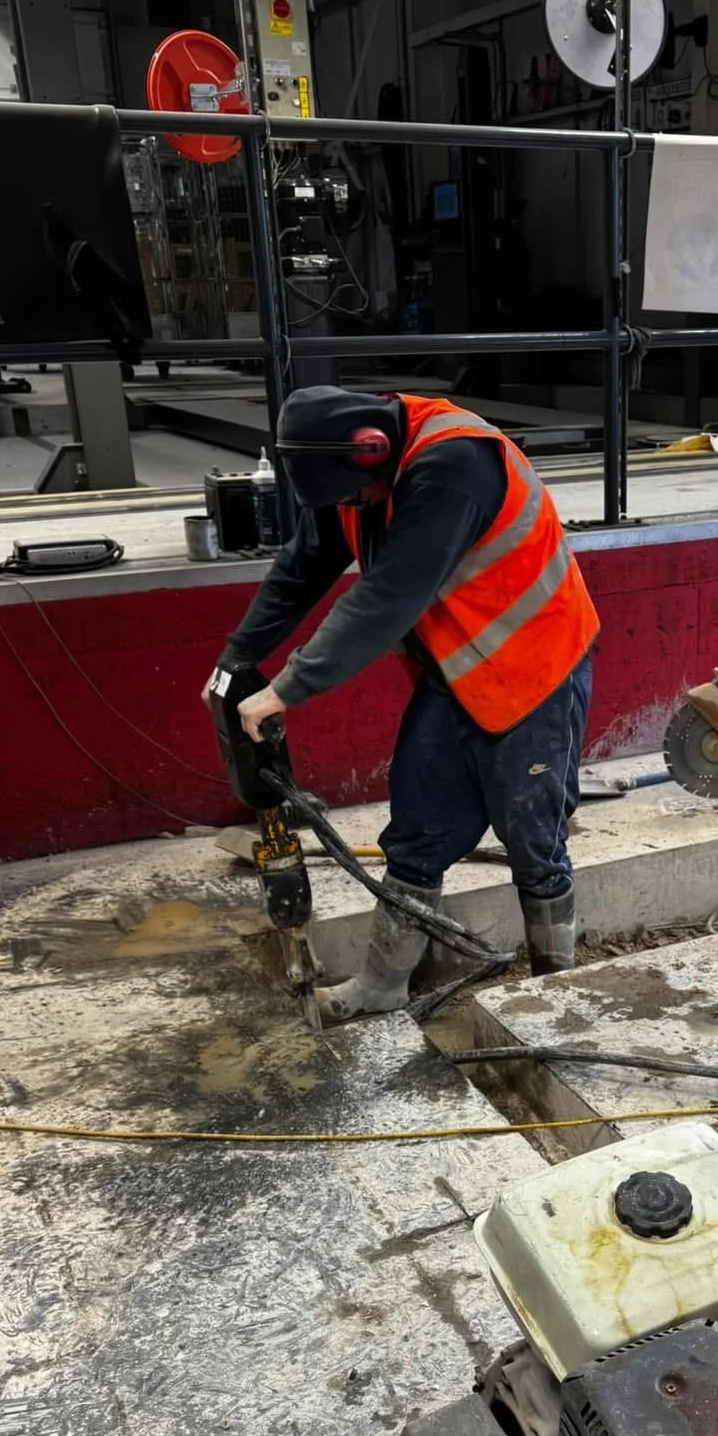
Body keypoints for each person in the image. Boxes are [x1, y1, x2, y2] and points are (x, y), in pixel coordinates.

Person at [208, 386, 598, 1020]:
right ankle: (382, 988)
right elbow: (302, 567)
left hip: (537, 672)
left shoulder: (455, 466)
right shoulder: (351, 473)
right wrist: (235, 660)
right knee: (417, 831)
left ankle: (556, 989)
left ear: (372, 450)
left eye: (350, 496)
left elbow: (386, 598)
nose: (348, 509)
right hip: (459, 675)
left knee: (534, 838)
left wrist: (286, 689)